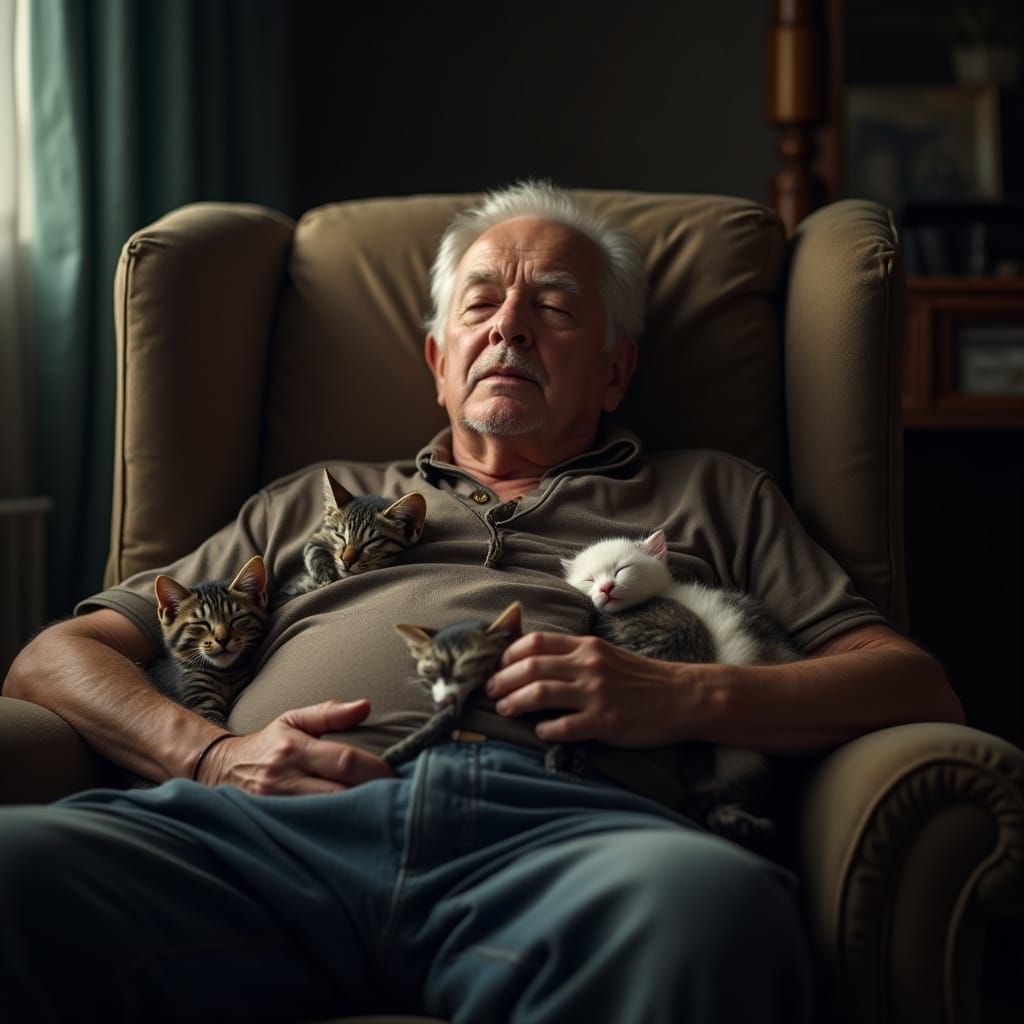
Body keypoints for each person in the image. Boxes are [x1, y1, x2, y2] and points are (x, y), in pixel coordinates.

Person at [0, 181, 963, 1023]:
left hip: (569, 843)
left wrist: (679, 694)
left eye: (554, 306)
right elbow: (53, 658)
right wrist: (211, 755)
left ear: (616, 370)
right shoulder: (311, 499)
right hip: (271, 836)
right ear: (438, 359)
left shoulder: (715, 492)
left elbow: (910, 684)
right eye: (481, 304)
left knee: (714, 914)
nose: (509, 326)